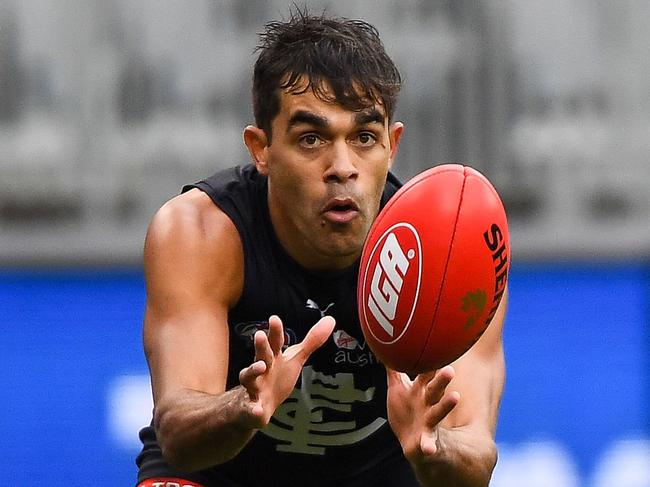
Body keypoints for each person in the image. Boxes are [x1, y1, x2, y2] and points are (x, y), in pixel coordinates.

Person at [135, 10, 507, 487]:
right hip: (220, 473)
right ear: (261, 148)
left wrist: (434, 446)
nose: (342, 167)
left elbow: (476, 461)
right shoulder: (202, 231)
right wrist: (243, 408)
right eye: (312, 139)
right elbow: (178, 435)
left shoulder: (451, 252)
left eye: (365, 138)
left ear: (392, 147)